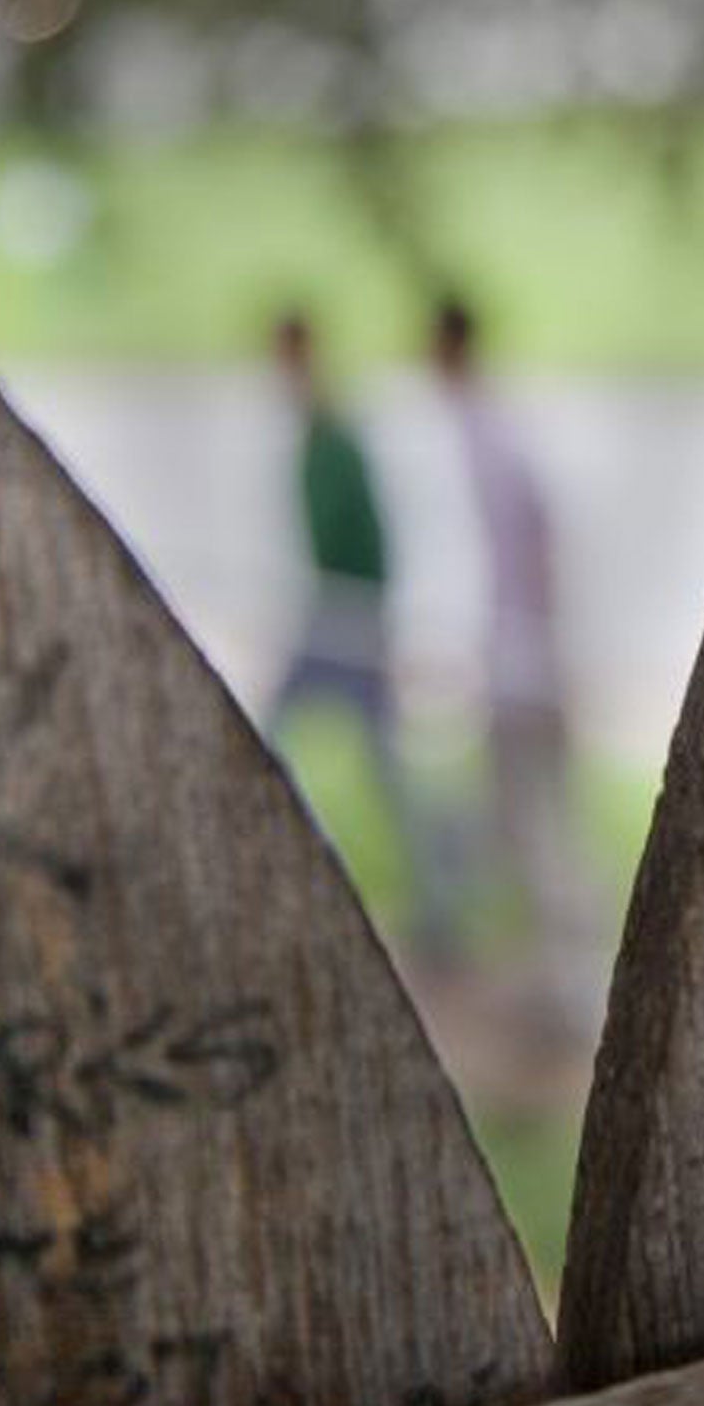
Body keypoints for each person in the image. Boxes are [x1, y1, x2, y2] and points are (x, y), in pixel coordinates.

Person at [266, 308, 456, 958]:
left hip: (346, 619)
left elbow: (364, 538)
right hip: (335, 613)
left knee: (285, 742)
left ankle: (437, 899)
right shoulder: (319, 433)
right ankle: (432, 896)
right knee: (370, 761)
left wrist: (368, 619)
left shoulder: (333, 439)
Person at [430, 297, 593, 1006]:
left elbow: (525, 547)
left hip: (521, 665)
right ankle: (527, 968)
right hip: (518, 659)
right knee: (509, 820)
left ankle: (572, 984)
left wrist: (525, 650)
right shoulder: (485, 428)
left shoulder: (485, 435)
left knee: (535, 826)